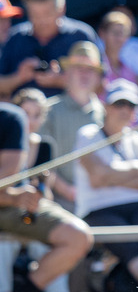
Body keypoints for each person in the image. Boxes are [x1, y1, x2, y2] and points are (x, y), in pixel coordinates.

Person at [74, 80, 138, 289]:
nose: (124, 110)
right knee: (132, 249)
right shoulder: (88, 135)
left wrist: (111, 175)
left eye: (130, 105)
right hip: (98, 209)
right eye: (119, 104)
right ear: (106, 107)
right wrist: (137, 168)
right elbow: (97, 178)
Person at [0, 94, 92, 292]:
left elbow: (43, 193)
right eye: (25, 114)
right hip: (12, 207)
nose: (30, 120)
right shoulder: (12, 121)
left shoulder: (35, 139)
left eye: (36, 115)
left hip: (24, 212)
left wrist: (32, 196)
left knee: (78, 236)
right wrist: (13, 197)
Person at [0, 0, 97, 98]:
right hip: (25, 114)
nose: (41, 21)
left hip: (70, 115)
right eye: (35, 14)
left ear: (62, 9)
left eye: (47, 13)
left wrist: (61, 80)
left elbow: (101, 84)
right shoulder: (15, 38)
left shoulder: (81, 36)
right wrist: (20, 77)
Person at [39, 41, 107, 210]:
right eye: (79, 68)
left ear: (98, 77)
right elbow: (41, 164)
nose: (84, 74)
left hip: (102, 200)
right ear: (67, 73)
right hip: (59, 202)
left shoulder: (108, 113)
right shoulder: (48, 111)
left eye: (90, 69)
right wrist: (69, 191)